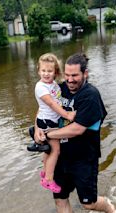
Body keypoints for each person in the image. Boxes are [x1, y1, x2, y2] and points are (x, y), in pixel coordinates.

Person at [34, 53, 116, 213]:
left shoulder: (90, 96)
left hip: (84, 158)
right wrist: (37, 129)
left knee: (88, 203)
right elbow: (44, 108)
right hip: (60, 156)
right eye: (66, 75)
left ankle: (109, 208)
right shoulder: (59, 89)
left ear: (85, 74)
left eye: (74, 76)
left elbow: (77, 129)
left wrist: (48, 135)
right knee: (60, 198)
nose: (70, 80)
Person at [30, 53, 76, 193]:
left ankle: (44, 171)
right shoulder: (41, 87)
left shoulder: (53, 84)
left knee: (49, 150)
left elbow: (56, 100)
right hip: (47, 122)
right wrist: (67, 114)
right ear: (38, 70)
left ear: (55, 72)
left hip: (50, 120)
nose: (46, 74)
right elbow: (51, 104)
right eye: (43, 71)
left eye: (49, 71)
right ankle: (48, 180)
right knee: (56, 150)